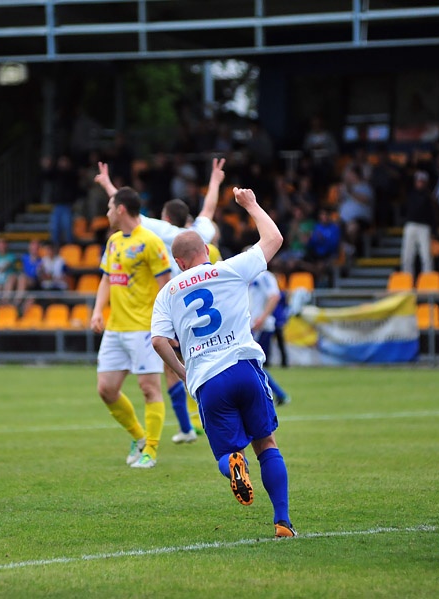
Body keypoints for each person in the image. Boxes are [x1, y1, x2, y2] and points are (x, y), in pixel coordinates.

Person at [150, 186, 296, 538]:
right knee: (267, 443)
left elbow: (157, 340)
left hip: (207, 378)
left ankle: (233, 464)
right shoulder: (230, 268)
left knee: (228, 451)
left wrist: (184, 372)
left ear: (180, 262)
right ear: (206, 251)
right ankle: (283, 522)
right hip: (244, 366)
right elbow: (274, 238)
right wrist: (251, 204)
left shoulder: (168, 292)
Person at [94, 158, 226, 444]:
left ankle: (187, 427)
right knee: (194, 365)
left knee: (170, 371)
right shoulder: (200, 233)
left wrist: (107, 185)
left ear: (166, 218)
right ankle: (197, 423)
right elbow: (209, 208)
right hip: (201, 305)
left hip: (170, 303)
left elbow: (126, 211)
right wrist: (215, 181)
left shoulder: (159, 232)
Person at [91, 186, 172, 469]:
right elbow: (106, 278)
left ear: (121, 209)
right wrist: (97, 311)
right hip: (116, 328)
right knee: (106, 389)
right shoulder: (113, 241)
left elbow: (165, 284)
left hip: (143, 329)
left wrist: (166, 324)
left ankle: (151, 450)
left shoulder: (151, 242)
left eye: (110, 207)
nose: (107, 212)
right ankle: (139, 437)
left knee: (149, 389)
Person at [248, 261, 291, 406]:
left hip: (261, 326)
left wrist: (262, 318)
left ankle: (278, 395)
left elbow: (274, 296)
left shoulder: (264, 276)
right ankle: (277, 395)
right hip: (253, 325)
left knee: (253, 364)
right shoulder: (248, 277)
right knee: (253, 364)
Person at [400, 170, 435, 276]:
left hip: (424, 227)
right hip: (410, 226)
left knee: (426, 256)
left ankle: (428, 283)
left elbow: (433, 214)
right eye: (418, 181)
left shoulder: (429, 196)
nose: (420, 183)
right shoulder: (410, 193)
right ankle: (407, 282)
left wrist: (434, 230)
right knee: (407, 256)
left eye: (422, 181)